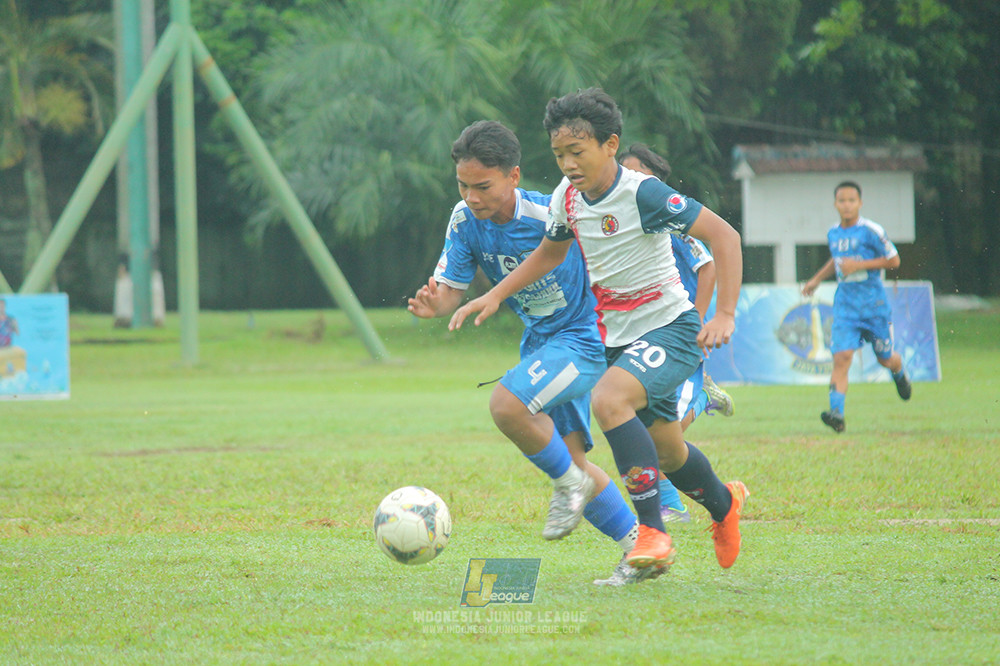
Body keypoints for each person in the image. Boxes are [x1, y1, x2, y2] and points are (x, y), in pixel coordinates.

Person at [451, 89, 749, 573]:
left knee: (609, 400)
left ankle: (652, 533)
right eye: (559, 154)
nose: (568, 163)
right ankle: (724, 505)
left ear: (611, 145)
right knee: (669, 452)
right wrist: (495, 294)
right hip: (621, 340)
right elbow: (549, 253)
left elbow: (724, 236)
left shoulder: (643, 193)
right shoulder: (566, 198)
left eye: (577, 151)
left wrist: (725, 315)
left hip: (670, 327)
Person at [408, 120, 657, 586]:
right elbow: (449, 294)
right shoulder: (464, 221)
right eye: (463, 185)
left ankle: (570, 486)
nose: (472, 197)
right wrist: (433, 305)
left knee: (507, 404)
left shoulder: (554, 216)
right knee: (574, 461)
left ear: (514, 176)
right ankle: (641, 551)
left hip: (587, 338)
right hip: (543, 344)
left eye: (483, 186)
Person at [618, 143, 736, 524]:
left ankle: (702, 398)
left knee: (671, 429)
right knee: (639, 425)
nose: (627, 181)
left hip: (677, 332)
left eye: (636, 174)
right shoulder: (622, 223)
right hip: (642, 335)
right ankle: (671, 505)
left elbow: (707, 266)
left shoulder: (673, 220)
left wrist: (699, 320)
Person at [801, 181, 911, 433]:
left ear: (860, 203)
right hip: (846, 308)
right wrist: (817, 279)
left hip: (874, 307)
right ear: (835, 204)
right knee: (842, 357)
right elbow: (837, 261)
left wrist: (859, 265)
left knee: (885, 359)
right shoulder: (833, 233)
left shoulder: (871, 230)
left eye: (852, 200)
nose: (847, 205)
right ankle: (836, 414)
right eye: (842, 200)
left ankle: (898, 370)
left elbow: (894, 260)